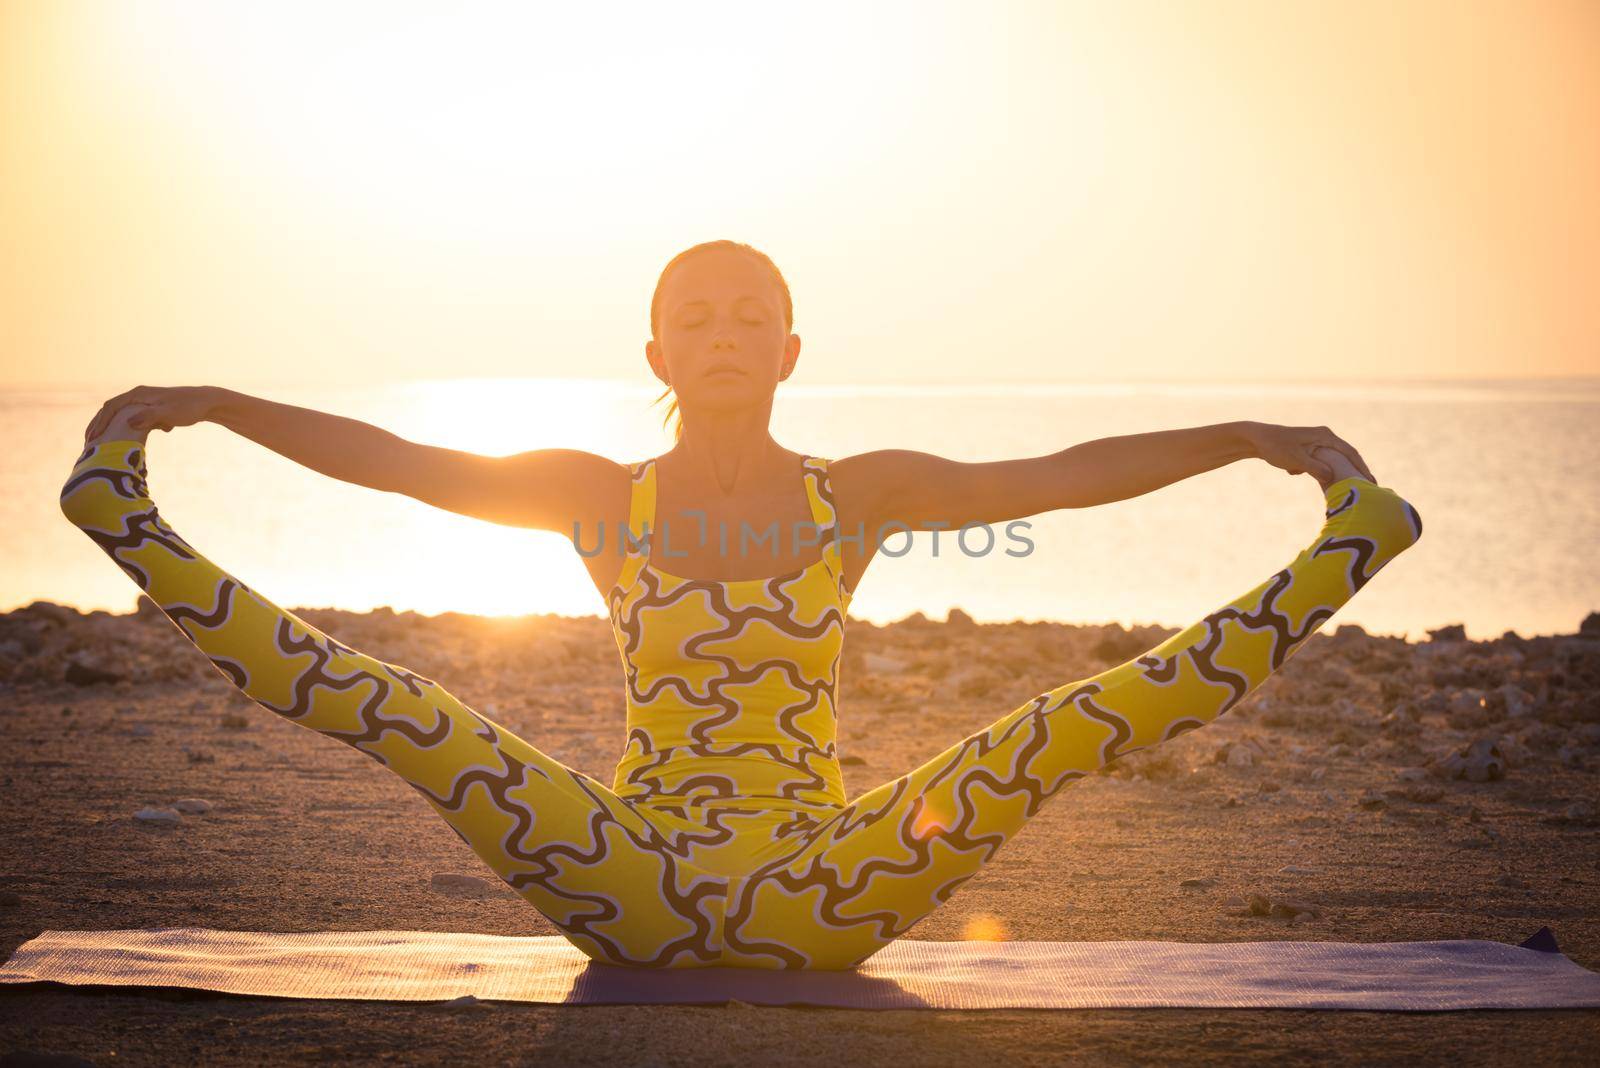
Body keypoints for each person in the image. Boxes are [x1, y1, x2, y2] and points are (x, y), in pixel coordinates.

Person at [63, 239, 1422, 970]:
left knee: (1067, 725)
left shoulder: (861, 495)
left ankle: (1356, 538)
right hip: (624, 877)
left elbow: (1058, 478)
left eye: (747, 316)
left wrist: (1248, 433)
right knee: (402, 710)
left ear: (787, 351)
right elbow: (405, 465)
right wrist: (223, 405)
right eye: (694, 319)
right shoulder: (605, 498)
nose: (721, 337)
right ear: (659, 352)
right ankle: (121, 515)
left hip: (829, 885)